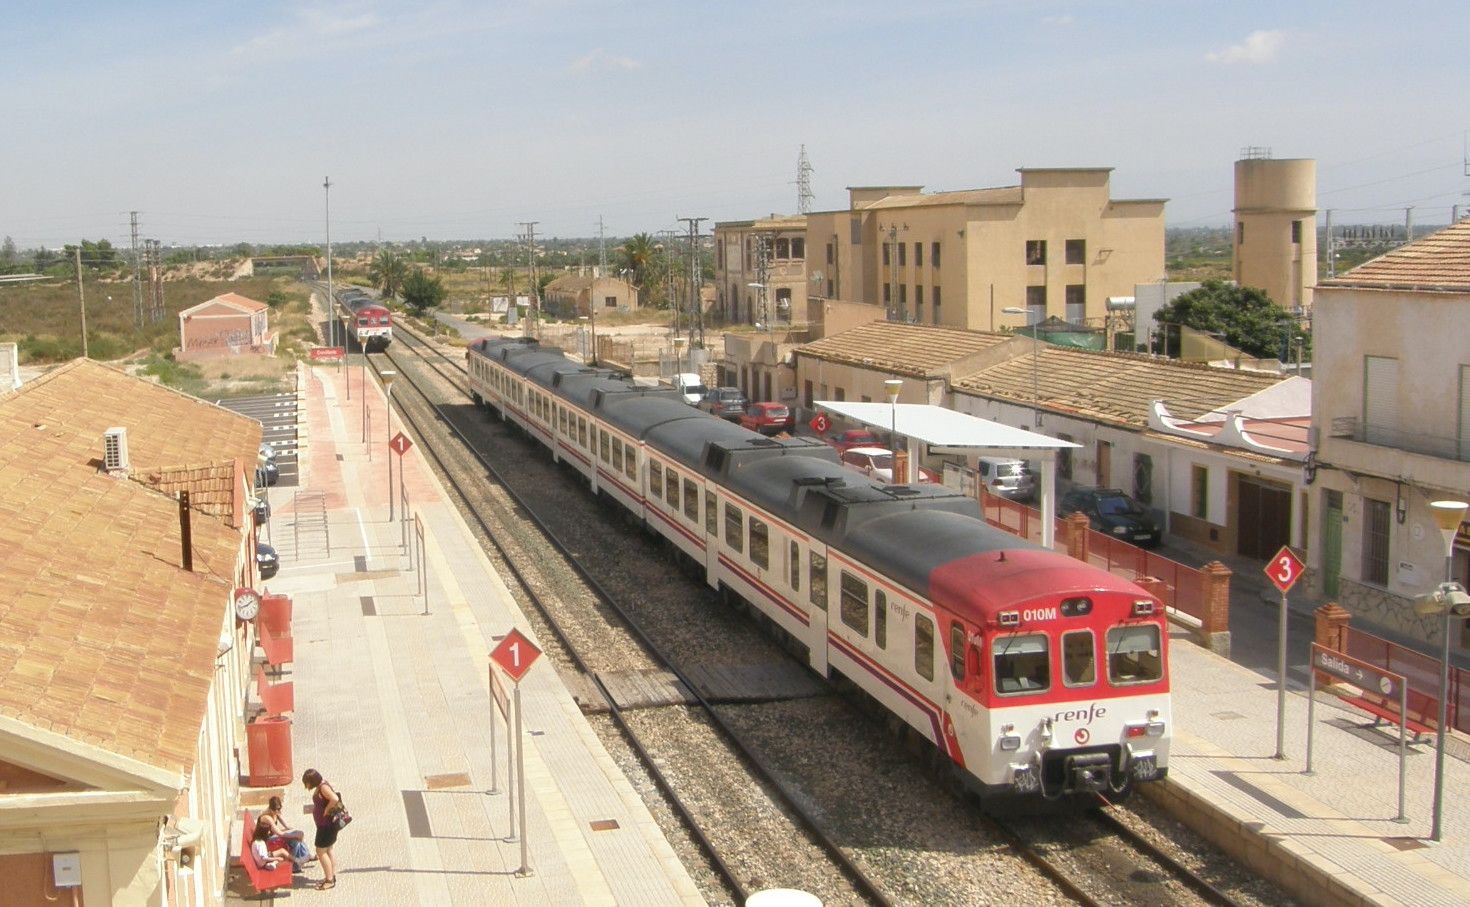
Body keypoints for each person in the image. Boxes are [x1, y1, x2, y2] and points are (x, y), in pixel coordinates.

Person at [303, 768, 342, 890]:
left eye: (307, 782)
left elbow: (334, 799)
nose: (306, 785)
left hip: (326, 826)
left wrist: (326, 810)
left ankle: (329, 880)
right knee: (328, 849)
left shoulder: (323, 788)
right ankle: (330, 875)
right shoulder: (322, 785)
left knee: (320, 852)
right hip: (326, 825)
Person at [258, 800, 312, 866]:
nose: (278, 811)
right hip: (267, 839)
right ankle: (301, 860)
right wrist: (294, 835)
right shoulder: (267, 817)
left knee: (298, 836)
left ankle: (305, 856)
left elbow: (283, 823)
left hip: (273, 835)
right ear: (271, 809)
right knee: (296, 840)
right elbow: (279, 833)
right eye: (276, 809)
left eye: (279, 809)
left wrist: (290, 829)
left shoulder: (275, 812)